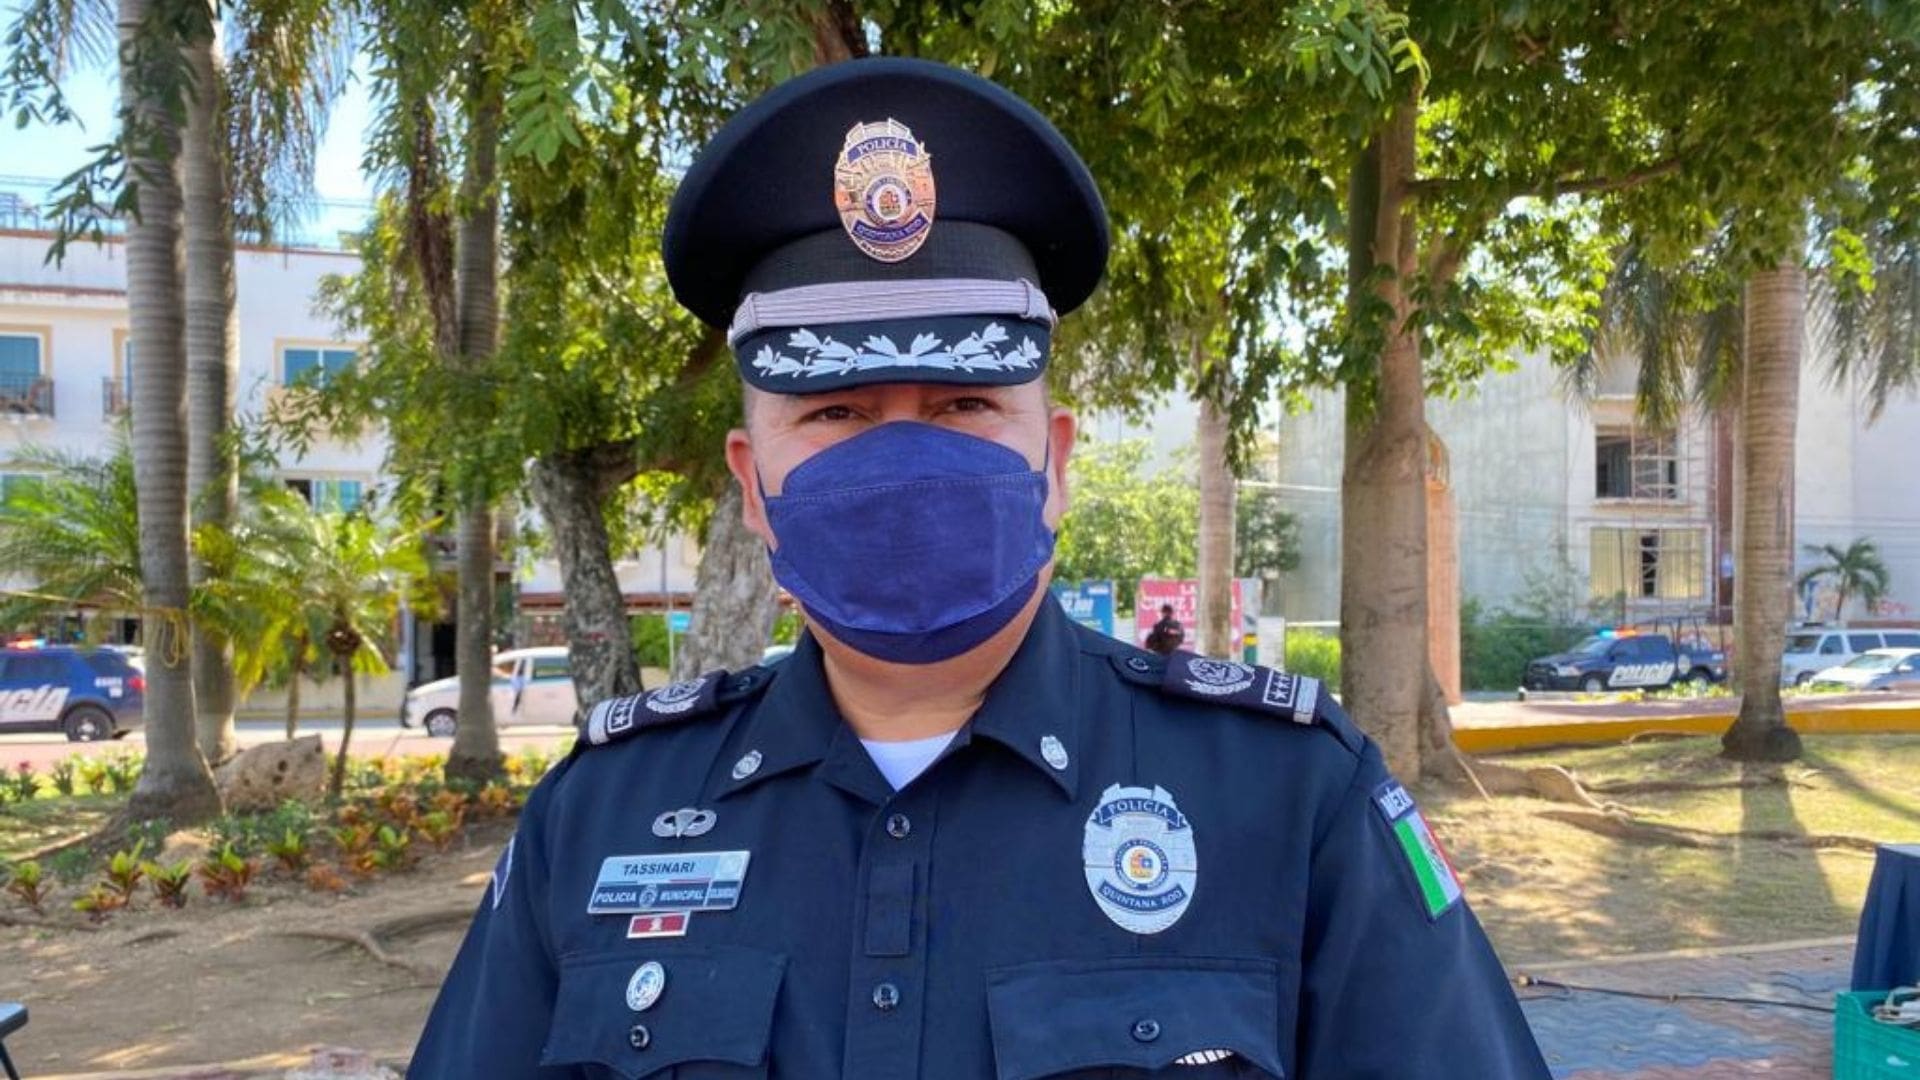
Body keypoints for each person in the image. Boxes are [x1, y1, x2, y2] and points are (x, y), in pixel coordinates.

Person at [411, 57, 1550, 1079]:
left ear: (1055, 463)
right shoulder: (600, 816)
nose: (905, 463)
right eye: (836, 412)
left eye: (965, 404)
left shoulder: (1290, 798)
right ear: (754, 486)